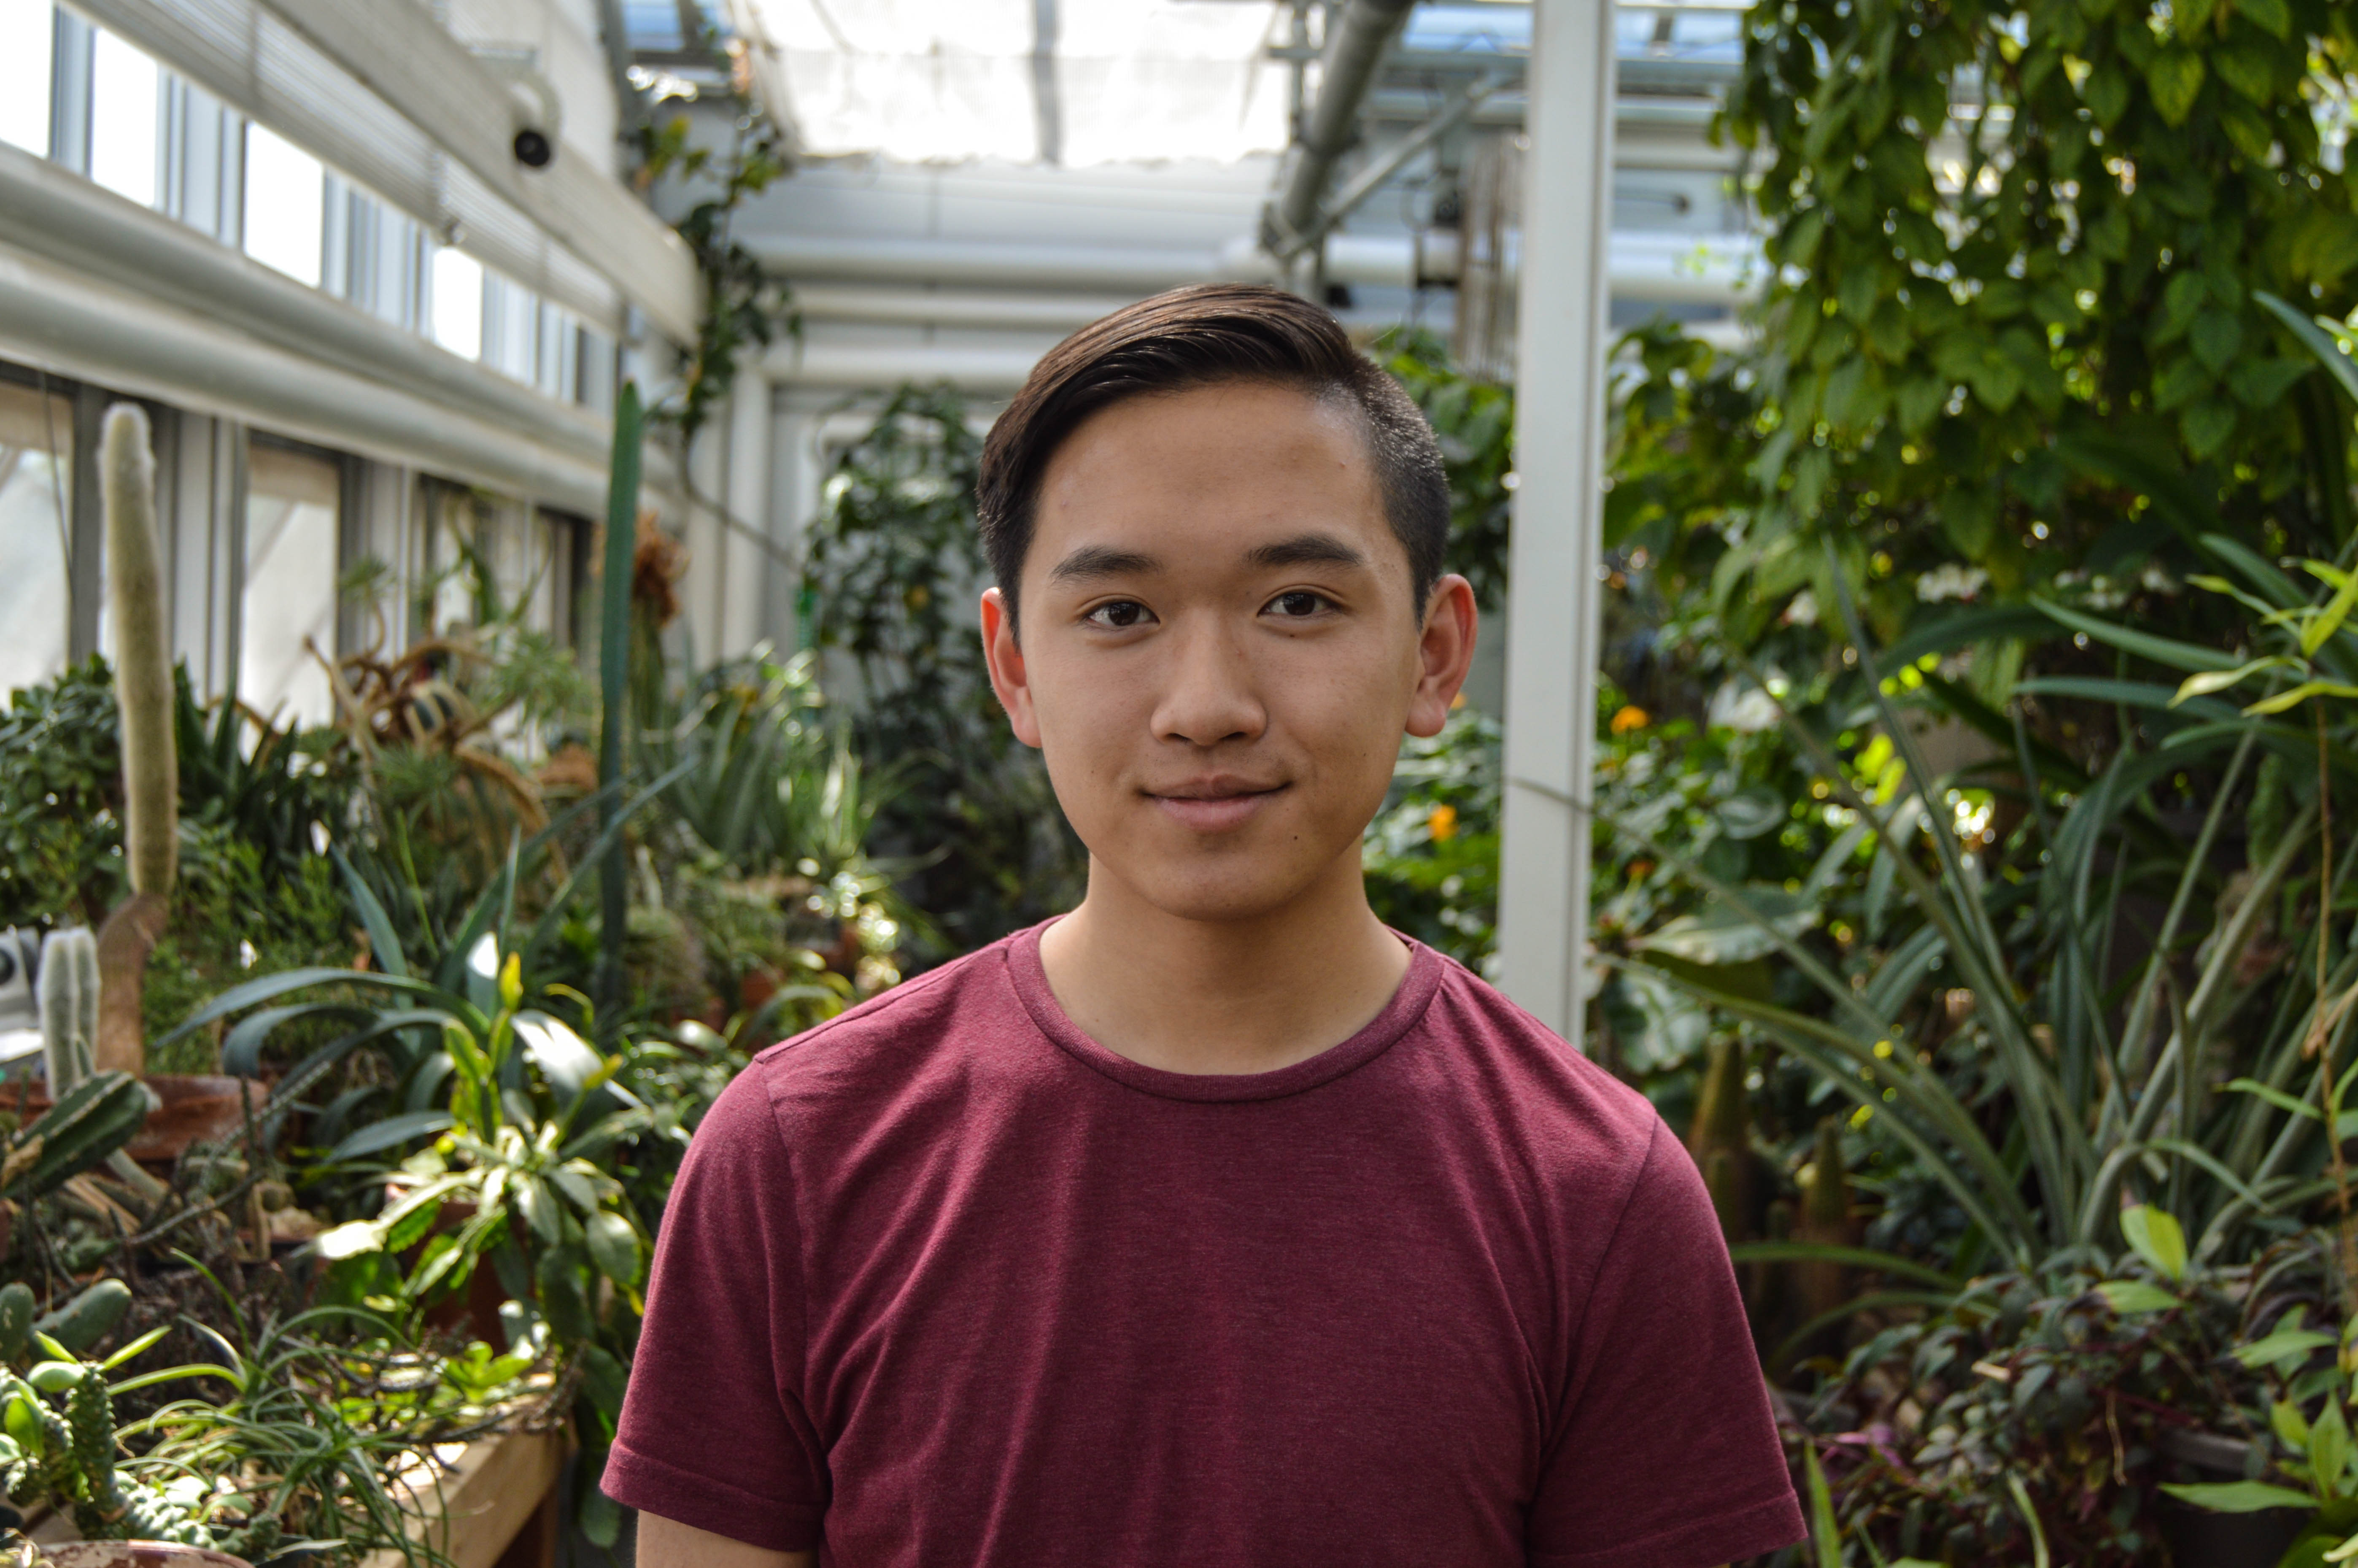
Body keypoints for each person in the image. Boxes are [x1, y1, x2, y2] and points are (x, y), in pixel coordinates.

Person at [604, 284, 1805, 1568]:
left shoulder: (1593, 1196)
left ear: (1436, 654)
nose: (1208, 705)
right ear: (1015, 667)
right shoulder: (800, 1157)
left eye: (1298, 602)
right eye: (1121, 614)